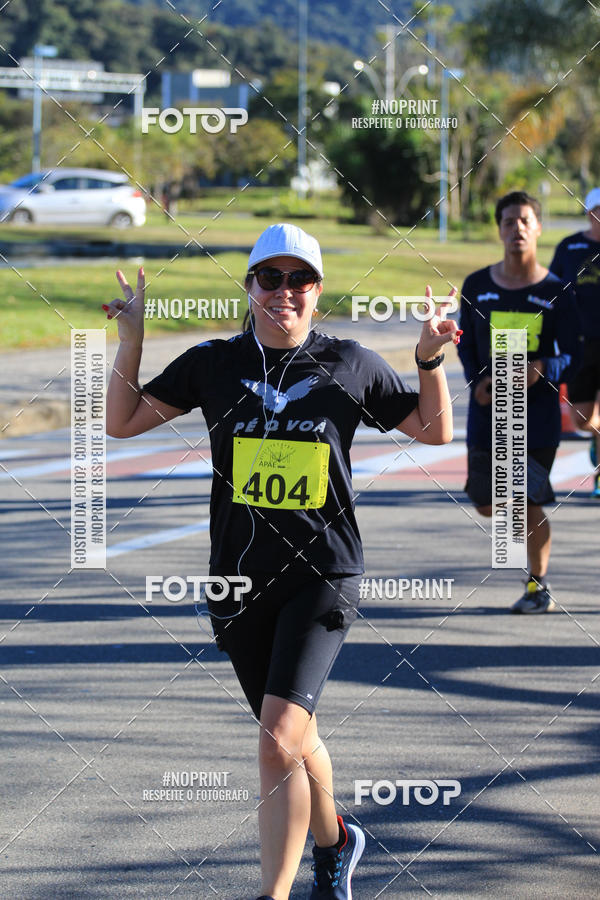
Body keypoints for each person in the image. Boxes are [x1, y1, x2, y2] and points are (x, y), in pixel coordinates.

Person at [103, 223, 459, 899]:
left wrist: (428, 358)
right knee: (292, 739)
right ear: (250, 287)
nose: (285, 292)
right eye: (271, 278)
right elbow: (122, 422)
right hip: (237, 583)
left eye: (300, 280)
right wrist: (131, 340)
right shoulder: (215, 363)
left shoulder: (350, 363)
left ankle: (273, 893)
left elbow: (433, 430)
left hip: (324, 575)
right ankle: (338, 841)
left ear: (318, 293)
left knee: (275, 741)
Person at [458, 192, 583, 614]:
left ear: (539, 228)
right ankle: (519, 541)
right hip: (487, 412)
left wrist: (542, 368)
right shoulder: (477, 285)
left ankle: (537, 586)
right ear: (499, 229)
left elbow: (575, 354)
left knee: (527, 502)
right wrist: (478, 381)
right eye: (509, 221)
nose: (518, 229)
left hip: (536, 418)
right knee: (486, 502)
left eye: (526, 221)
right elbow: (466, 345)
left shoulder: (557, 290)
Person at [549, 188, 600, 496]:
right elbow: (550, 290)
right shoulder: (570, 247)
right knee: (581, 420)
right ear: (589, 212)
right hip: (579, 343)